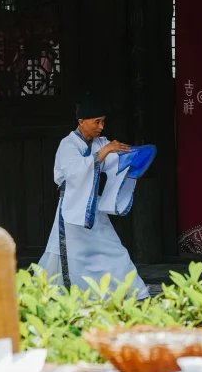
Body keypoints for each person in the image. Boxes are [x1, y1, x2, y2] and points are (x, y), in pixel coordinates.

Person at [38, 92, 148, 296]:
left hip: (92, 208)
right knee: (72, 256)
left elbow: (114, 164)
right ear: (81, 122)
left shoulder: (100, 143)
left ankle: (132, 292)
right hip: (71, 210)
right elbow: (74, 173)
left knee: (113, 249)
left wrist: (132, 158)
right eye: (97, 122)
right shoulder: (68, 144)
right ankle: (71, 294)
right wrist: (104, 151)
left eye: (103, 122)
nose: (101, 127)